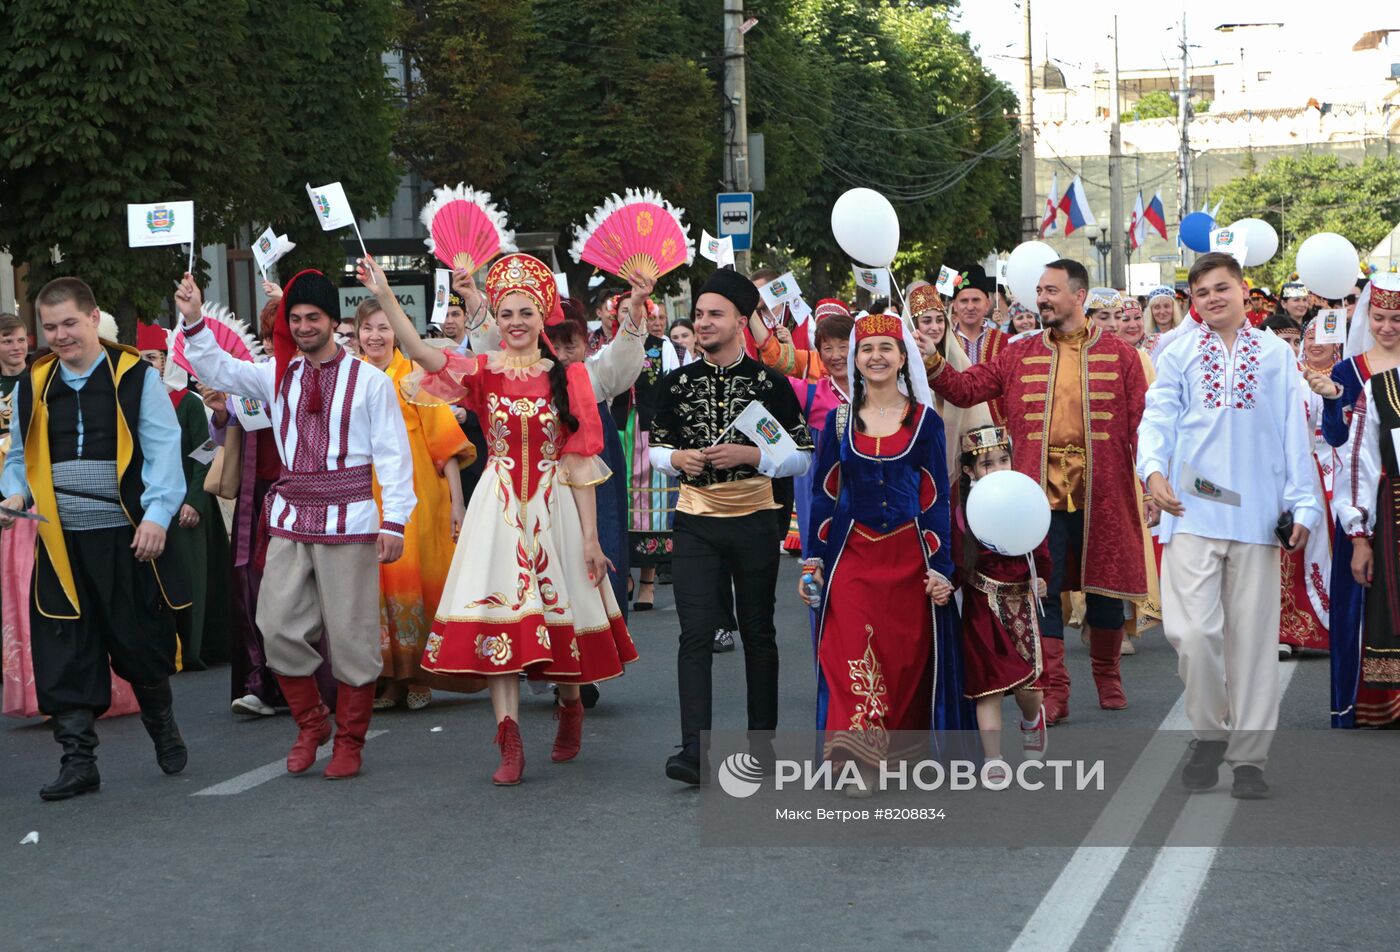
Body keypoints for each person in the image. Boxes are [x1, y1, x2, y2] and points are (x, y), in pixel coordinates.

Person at [359, 252, 637, 785]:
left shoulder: (570, 377)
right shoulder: (482, 372)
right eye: (506, 313)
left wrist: (590, 539)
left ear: (541, 318)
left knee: (562, 620)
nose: (514, 322)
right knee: (501, 621)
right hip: (498, 507)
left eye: (525, 313)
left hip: (554, 508)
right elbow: (419, 351)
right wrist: (387, 294)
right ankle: (509, 740)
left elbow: (579, 463)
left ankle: (570, 705)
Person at [176, 268, 415, 781]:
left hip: (350, 518)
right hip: (289, 517)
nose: (304, 326)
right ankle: (311, 724)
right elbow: (218, 368)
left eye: (314, 318)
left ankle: (350, 739)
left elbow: (395, 456)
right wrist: (193, 317)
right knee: (276, 624)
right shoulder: (274, 372)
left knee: (351, 637)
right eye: (297, 318)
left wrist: (393, 522)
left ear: (333, 320)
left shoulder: (369, 381)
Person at [923, 258, 1148, 724]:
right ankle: (1054, 688)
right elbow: (968, 389)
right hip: (1035, 501)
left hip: (1102, 494)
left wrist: (1152, 483)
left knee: (1106, 594)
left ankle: (1107, 676)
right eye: (1039, 291)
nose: (1040, 299)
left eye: (1050, 291)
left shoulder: (1123, 356)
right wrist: (932, 361)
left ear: (1078, 296)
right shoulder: (1018, 352)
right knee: (1041, 592)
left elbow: (1145, 427)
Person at [1139, 252, 1322, 800]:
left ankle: (1248, 760)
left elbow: (1294, 433)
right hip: (1190, 512)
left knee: (1252, 644)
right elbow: (1158, 415)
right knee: (1190, 634)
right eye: (1202, 293)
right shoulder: (1177, 352)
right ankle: (1209, 732)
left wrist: (1305, 506)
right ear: (1192, 302)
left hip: (1258, 515)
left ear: (1244, 291)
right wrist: (1151, 472)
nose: (1213, 298)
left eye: (1223, 288)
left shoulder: (1273, 355)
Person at [1, 277, 190, 801]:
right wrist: (13, 497)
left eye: (69, 323)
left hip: (126, 537)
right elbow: (18, 458)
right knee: (64, 648)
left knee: (139, 644)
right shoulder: (33, 383)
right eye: (50, 326)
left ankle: (162, 724)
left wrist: (157, 516)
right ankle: (78, 761)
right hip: (59, 543)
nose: (60, 335)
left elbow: (163, 450)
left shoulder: (133, 376)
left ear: (93, 318)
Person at [648, 267, 814, 785]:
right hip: (696, 518)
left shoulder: (772, 383)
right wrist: (677, 459)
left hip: (756, 518)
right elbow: (655, 448)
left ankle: (760, 745)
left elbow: (802, 457)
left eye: (714, 314)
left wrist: (755, 453)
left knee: (758, 631)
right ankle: (695, 750)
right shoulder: (674, 383)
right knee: (695, 634)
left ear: (741, 320)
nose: (702, 323)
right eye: (698, 314)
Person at [801, 309, 974, 792]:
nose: (875, 357)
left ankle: (900, 753)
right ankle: (861, 761)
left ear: (902, 358)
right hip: (852, 556)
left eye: (886, 349)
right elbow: (825, 494)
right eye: (867, 350)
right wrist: (813, 562)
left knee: (902, 661)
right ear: (855, 360)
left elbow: (937, 496)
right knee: (851, 650)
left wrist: (942, 570)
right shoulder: (838, 422)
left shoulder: (926, 422)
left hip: (909, 558)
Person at [354, 299, 474, 711]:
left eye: (384, 328)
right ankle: (387, 677)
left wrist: (458, 505)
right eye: (367, 328)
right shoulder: (350, 380)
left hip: (420, 498)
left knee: (415, 581)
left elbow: (446, 444)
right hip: (365, 497)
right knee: (376, 585)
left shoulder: (416, 379)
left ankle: (419, 674)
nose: (375, 336)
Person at [1306, 270, 1400, 727]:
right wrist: (1331, 399)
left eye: (1396, 319)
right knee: (1368, 605)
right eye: (1379, 317)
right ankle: (1372, 703)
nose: (1386, 327)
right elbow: (1343, 444)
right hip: (1373, 506)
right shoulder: (1351, 371)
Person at [135, 322, 232, 672]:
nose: (147, 364)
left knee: (190, 578)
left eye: (153, 357)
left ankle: (192, 648)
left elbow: (206, 451)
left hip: (187, 508)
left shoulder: (187, 403)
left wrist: (194, 500)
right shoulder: (130, 401)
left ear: (165, 360)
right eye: (140, 358)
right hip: (148, 508)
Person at [953, 425, 1050, 777]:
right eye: (986, 464)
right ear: (969, 471)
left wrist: (1041, 579)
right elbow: (953, 560)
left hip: (1021, 601)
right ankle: (993, 760)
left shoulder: (1023, 497)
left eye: (1003, 460)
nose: (997, 469)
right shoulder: (962, 511)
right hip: (982, 607)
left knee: (1029, 690)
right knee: (987, 688)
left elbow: (1039, 545)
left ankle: (1031, 719)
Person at [947, 264, 1007, 426]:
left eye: (976, 300)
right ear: (955, 306)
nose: (970, 307)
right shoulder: (944, 343)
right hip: (954, 429)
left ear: (987, 304)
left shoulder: (1007, 342)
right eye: (964, 301)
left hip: (998, 433)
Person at [1142, 285, 1180, 358]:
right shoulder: (1144, 337)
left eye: (1166, 306)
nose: (1162, 312)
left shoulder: (1181, 333)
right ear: (1151, 311)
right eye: (1157, 307)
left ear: (1174, 309)